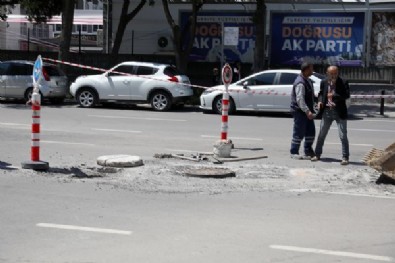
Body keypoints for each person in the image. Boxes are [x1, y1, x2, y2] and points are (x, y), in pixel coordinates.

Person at [311, 65, 350, 165]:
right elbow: (320, 93)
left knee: (343, 136)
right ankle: (317, 154)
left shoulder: (343, 82)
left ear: (338, 73)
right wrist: (320, 101)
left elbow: (346, 95)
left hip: (339, 111)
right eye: (331, 74)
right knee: (321, 135)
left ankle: (345, 157)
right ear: (327, 73)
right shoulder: (324, 82)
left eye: (335, 73)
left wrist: (334, 95)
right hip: (327, 111)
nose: (333, 76)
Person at [290, 62, 316, 159]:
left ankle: (308, 150)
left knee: (310, 132)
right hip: (300, 112)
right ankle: (294, 152)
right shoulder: (300, 83)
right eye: (311, 68)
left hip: (307, 111)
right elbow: (300, 99)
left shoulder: (308, 80)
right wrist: (307, 111)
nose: (312, 70)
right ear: (306, 70)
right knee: (299, 132)